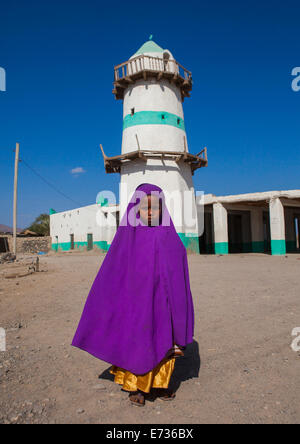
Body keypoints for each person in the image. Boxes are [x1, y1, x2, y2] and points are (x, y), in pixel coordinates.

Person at [71, 183, 194, 407]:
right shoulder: (128, 236)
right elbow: (115, 272)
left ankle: (161, 383)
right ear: (135, 208)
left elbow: (178, 272)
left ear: (162, 209)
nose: (149, 212)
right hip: (137, 303)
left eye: (154, 207)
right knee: (138, 339)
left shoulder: (169, 236)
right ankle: (135, 385)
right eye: (144, 207)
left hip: (163, 303)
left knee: (164, 338)